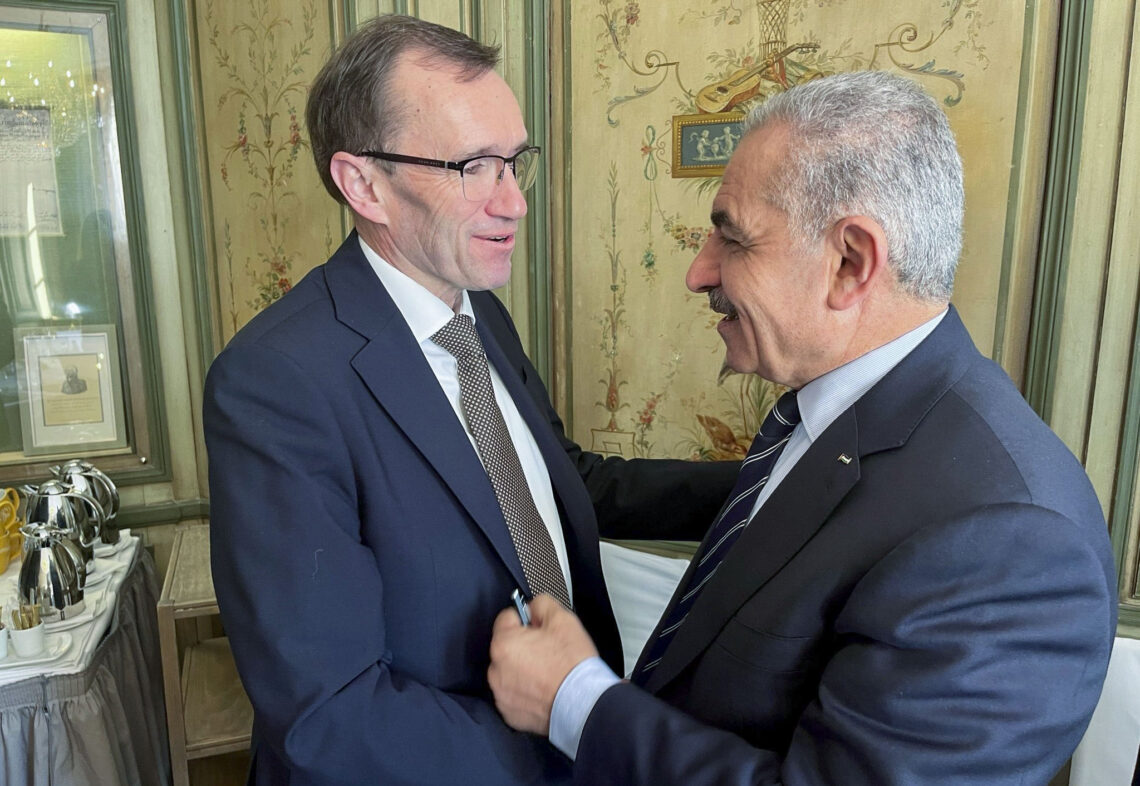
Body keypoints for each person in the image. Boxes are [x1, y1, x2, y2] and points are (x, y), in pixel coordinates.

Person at [488, 70, 1118, 784]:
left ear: (850, 263)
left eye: (733, 240)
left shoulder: (1010, 543)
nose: (699, 274)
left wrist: (575, 702)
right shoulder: (839, 409)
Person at [201, 14, 736, 786]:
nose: (514, 202)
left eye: (515, 162)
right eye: (475, 167)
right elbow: (333, 717)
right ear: (363, 184)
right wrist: (583, 732)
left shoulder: (474, 307)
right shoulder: (276, 383)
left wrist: (759, 486)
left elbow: (558, 484)